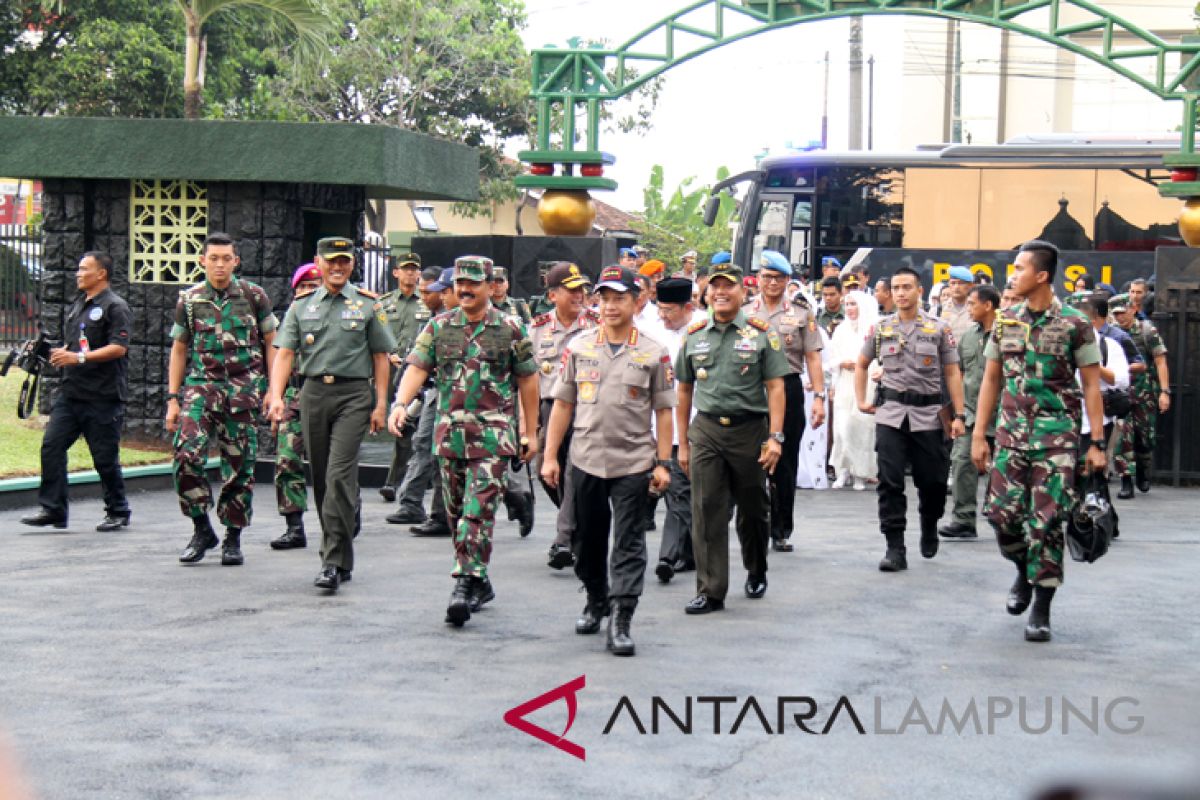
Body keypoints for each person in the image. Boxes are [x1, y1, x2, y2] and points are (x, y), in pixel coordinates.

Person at [389, 255, 538, 627]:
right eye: (460, 284)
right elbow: (418, 368)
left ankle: (462, 584)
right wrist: (400, 404)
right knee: (458, 516)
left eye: (474, 283)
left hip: (493, 437)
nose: (466, 290)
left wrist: (529, 430)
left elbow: (528, 381)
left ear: (491, 285)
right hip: (450, 437)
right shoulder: (439, 327)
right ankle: (480, 580)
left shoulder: (510, 328)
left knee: (478, 511)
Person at [972, 240, 1106, 642]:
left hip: (1056, 440)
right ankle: (1022, 572)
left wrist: (1096, 442)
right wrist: (980, 434)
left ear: (1042, 275)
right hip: (1011, 437)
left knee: (1047, 523)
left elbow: (1093, 386)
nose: (1011, 275)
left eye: (1019, 268)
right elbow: (991, 380)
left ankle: (1042, 608)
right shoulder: (1006, 320)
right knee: (1002, 518)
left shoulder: (1074, 323)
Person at [542, 265, 675, 656]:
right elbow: (563, 404)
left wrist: (663, 463)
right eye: (605, 298)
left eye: (619, 297)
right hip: (584, 458)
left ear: (637, 300)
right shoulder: (580, 347)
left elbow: (665, 412)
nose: (611, 305)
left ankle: (621, 616)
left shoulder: (653, 351)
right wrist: (550, 456)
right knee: (587, 538)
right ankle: (595, 598)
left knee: (630, 541)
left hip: (634, 460)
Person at [267, 237, 394, 592]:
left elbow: (381, 357)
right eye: (331, 261)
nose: (338, 268)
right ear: (318, 263)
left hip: (353, 395)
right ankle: (338, 547)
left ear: (352, 264)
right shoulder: (301, 306)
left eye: (344, 261)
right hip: (313, 394)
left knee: (339, 475)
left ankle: (333, 560)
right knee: (323, 479)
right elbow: (285, 354)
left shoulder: (369, 305)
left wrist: (380, 404)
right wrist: (276, 396)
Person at [676, 260, 791, 614]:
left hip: (750, 430)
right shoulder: (694, 335)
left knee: (754, 508)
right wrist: (682, 442)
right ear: (706, 292)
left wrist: (775, 437)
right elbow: (683, 391)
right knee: (706, 507)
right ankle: (711, 590)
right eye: (715, 287)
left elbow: (775, 387)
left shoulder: (761, 333)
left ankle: (756, 567)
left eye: (729, 286)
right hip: (707, 430)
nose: (721, 293)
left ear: (744, 291)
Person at [167, 232, 276, 566]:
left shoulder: (254, 296)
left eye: (225, 258)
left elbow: (272, 343)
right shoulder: (190, 299)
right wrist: (173, 398)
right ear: (203, 261)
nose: (219, 264)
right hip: (201, 388)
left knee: (239, 467)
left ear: (235, 262)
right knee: (186, 454)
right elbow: (180, 348)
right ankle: (201, 527)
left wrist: (274, 390)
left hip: (243, 390)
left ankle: (232, 536)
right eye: (213, 258)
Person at [855, 266, 966, 572]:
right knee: (889, 482)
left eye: (907, 287)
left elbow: (953, 372)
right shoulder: (881, 328)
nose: (901, 293)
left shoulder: (939, 328)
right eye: (896, 287)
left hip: (930, 416)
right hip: (890, 414)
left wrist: (959, 414)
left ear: (920, 290)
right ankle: (894, 546)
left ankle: (930, 524)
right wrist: (862, 400)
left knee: (931, 482)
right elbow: (862, 363)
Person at [21, 251, 133, 532]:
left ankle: (118, 510)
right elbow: (77, 346)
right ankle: (53, 509)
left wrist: (78, 359)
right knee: (51, 446)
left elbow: (118, 348)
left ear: (101, 274)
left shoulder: (115, 307)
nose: (78, 273)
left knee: (104, 457)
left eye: (84, 269)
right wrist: (50, 351)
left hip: (103, 396)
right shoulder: (78, 305)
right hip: (72, 394)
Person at [744, 250, 826, 551]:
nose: (772, 283)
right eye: (766, 277)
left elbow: (813, 358)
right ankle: (754, 523)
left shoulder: (802, 312)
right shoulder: (744, 311)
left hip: (789, 387)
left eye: (778, 278)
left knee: (785, 459)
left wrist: (819, 398)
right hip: (751, 388)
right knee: (750, 458)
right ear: (758, 279)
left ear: (787, 281)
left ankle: (780, 529)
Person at [529, 262, 598, 569]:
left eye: (582, 289)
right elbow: (527, 378)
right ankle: (576, 520)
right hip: (548, 407)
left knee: (572, 470)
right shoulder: (537, 328)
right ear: (552, 295)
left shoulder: (597, 325)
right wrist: (528, 423)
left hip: (586, 407)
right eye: (571, 291)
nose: (579, 295)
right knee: (545, 466)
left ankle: (563, 539)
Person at [652, 277, 704, 582]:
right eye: (660, 309)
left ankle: (691, 551)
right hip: (667, 428)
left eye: (669, 310)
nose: (663, 316)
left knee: (707, 500)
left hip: (703, 425)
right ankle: (669, 556)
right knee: (678, 493)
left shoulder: (705, 331)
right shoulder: (653, 333)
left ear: (688, 307)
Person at [939, 283, 1000, 540]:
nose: (970, 309)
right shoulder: (968, 336)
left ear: (988, 305)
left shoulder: (1007, 334)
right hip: (972, 411)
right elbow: (959, 373)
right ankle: (964, 518)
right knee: (962, 461)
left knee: (1005, 470)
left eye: (973, 304)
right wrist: (958, 413)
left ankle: (1005, 518)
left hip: (1005, 413)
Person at [269, 263, 323, 550]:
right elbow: (280, 358)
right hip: (295, 395)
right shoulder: (290, 320)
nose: (307, 293)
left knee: (333, 466)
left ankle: (346, 515)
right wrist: (275, 396)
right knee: (287, 460)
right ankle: (294, 525)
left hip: (327, 395)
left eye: (313, 287)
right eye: (302, 288)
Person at [388, 267, 447, 527]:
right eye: (424, 291)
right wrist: (400, 400)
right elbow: (417, 364)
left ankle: (515, 495)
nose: (428, 296)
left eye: (435, 292)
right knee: (424, 443)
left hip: (473, 400)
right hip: (434, 392)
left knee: (457, 454)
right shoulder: (434, 323)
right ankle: (412, 503)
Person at [489, 266, 536, 536]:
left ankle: (515, 496)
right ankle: (514, 497)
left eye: (500, 281)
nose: (496, 286)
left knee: (496, 456)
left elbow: (526, 346)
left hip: (508, 386)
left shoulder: (517, 309)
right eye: (492, 281)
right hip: (470, 391)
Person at [1109, 292, 1170, 498]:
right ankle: (1126, 480)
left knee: (1145, 439)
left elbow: (1160, 361)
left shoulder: (1146, 331)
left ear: (1133, 309)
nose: (1120, 317)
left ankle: (1143, 469)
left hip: (1145, 394)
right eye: (1115, 314)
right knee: (1122, 438)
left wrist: (1164, 391)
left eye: (1123, 312)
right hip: (1121, 395)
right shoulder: (1112, 334)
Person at [378, 252, 427, 503]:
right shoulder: (384, 303)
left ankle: (395, 481)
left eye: (414, 269)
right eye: (405, 269)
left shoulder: (426, 304)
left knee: (405, 425)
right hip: (388, 368)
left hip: (414, 370)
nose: (410, 273)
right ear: (396, 272)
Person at [828, 290, 879, 490]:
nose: (849, 309)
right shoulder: (840, 329)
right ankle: (843, 470)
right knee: (842, 427)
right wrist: (842, 364)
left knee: (862, 428)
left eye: (853, 304)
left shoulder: (873, 328)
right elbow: (831, 358)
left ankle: (860, 473)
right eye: (847, 304)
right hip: (844, 383)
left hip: (867, 383)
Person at [940, 266, 975, 339]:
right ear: (949, 285)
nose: (956, 287)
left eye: (961, 283)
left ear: (970, 286)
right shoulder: (939, 309)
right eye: (953, 283)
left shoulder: (977, 308)